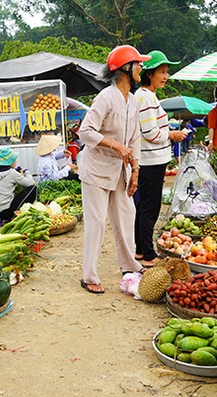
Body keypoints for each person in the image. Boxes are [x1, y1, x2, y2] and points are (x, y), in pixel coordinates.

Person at [76, 45, 149, 294]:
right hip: (97, 168)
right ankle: (89, 276)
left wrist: (136, 170)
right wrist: (114, 144)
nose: (142, 68)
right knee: (96, 222)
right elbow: (85, 132)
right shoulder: (106, 97)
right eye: (138, 64)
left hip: (120, 169)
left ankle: (129, 264)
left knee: (126, 215)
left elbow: (135, 138)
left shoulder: (133, 101)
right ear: (126, 68)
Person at [133, 50, 187, 267]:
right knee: (150, 207)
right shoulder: (146, 97)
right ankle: (147, 254)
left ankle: (139, 249)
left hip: (150, 160)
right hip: (151, 160)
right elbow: (150, 132)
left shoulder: (145, 96)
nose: (166, 76)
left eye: (167, 72)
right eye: (162, 72)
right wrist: (172, 135)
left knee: (144, 206)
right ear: (149, 74)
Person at [0, 147, 38, 222]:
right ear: (10, 161)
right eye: (14, 160)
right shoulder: (12, 173)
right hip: (5, 212)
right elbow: (31, 183)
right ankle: (16, 215)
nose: (15, 162)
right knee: (33, 188)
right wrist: (27, 172)